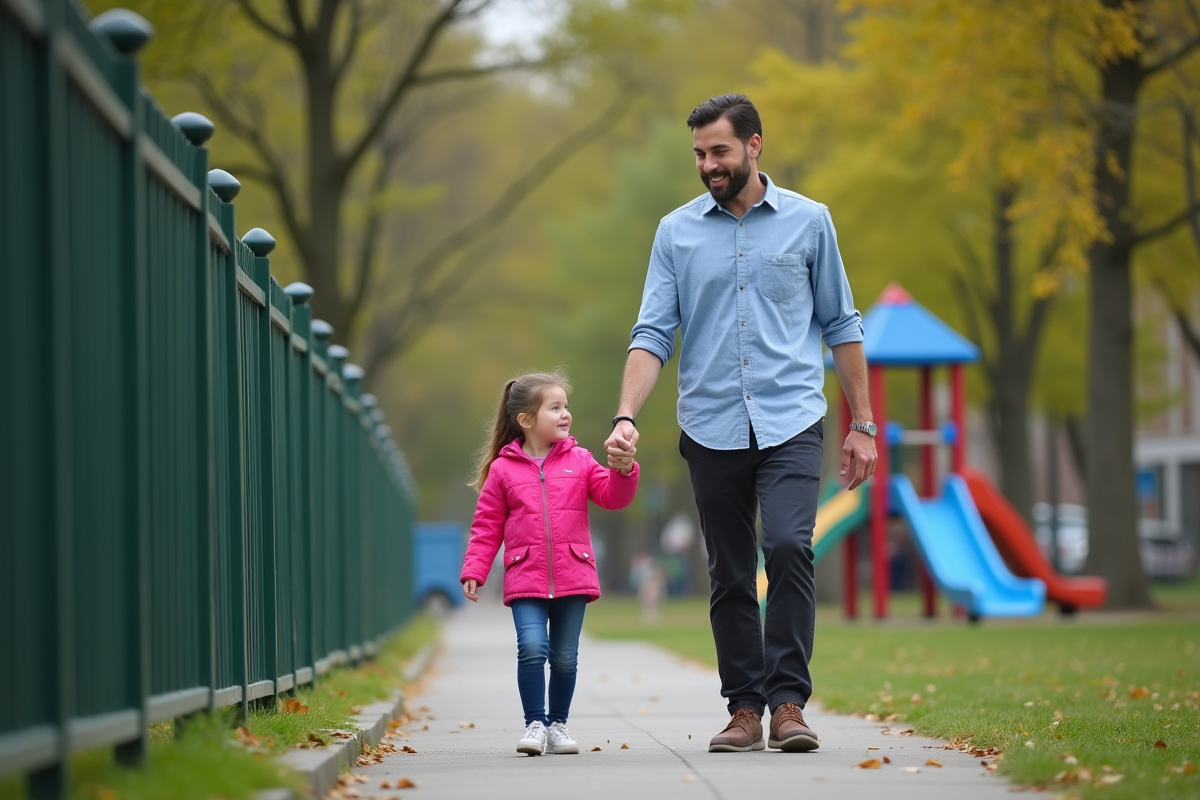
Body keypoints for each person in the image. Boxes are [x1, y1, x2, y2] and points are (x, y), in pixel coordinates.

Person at [603, 94, 877, 754]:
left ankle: (788, 703)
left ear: (755, 145)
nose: (708, 164)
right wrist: (625, 415)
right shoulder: (676, 233)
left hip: (791, 418)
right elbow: (652, 330)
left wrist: (863, 422)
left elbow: (841, 324)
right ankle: (744, 708)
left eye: (719, 151)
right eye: (699, 154)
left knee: (787, 546)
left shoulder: (810, 222)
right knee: (728, 571)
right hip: (710, 422)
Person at [461, 372, 639, 756]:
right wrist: (475, 569)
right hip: (525, 575)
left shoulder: (581, 460)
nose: (565, 414)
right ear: (526, 420)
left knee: (564, 657)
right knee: (531, 647)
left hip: (573, 574)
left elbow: (612, 497)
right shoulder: (503, 470)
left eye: (565, 406)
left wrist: (624, 471)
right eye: (555, 408)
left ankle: (558, 723)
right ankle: (534, 725)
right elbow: (486, 525)